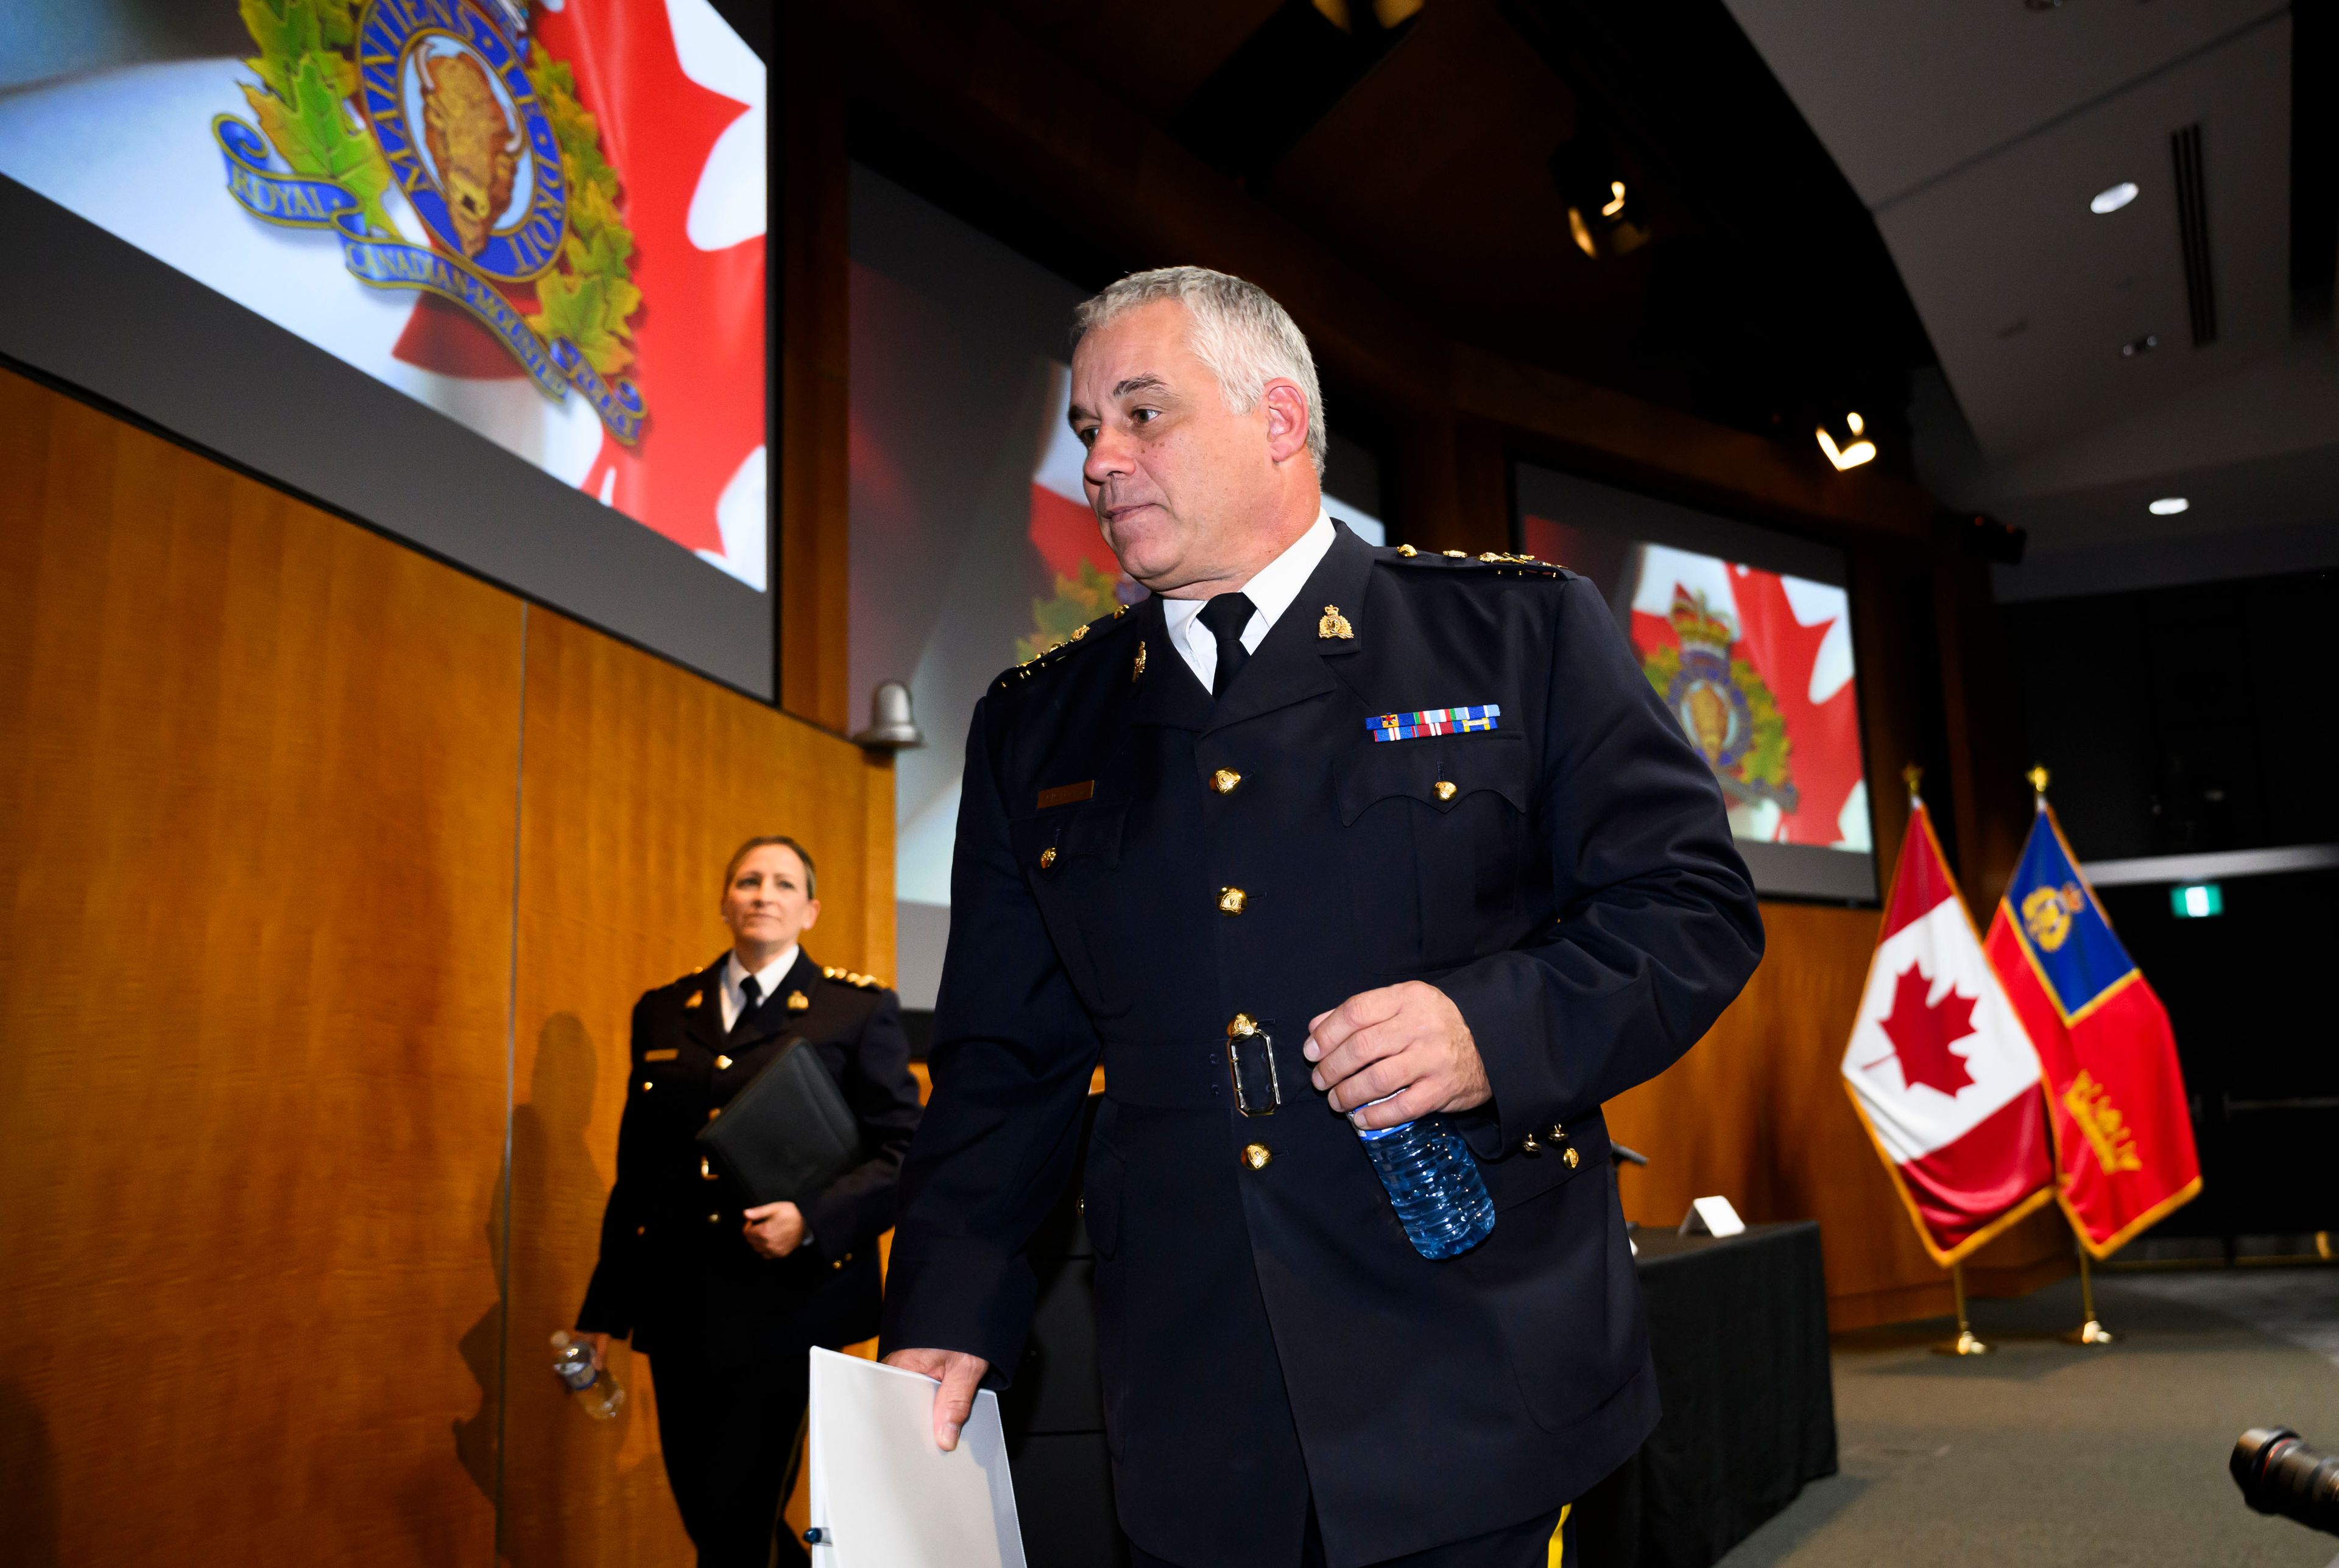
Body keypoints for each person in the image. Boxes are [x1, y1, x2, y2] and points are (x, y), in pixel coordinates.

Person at [879, 268, 1764, 1568]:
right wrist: (949, 1302)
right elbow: (1006, 1059)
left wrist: (1490, 1030)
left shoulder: (1509, 635)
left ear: (1279, 421)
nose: (1101, 462)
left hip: (1473, 1353)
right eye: (1085, 430)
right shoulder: (1038, 724)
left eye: (1141, 415)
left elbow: (1691, 906)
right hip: (1192, 1381)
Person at [577, 835, 922, 1568]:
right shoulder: (665, 1011)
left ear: (810, 909)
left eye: (783, 883)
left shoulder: (853, 1010)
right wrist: (601, 1314)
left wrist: (811, 1222)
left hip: (791, 1302)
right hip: (677, 1302)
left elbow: (904, 1152)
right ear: (725, 900)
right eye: (748, 880)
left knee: (737, 1513)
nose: (763, 893)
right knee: (707, 1508)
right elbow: (636, 1172)